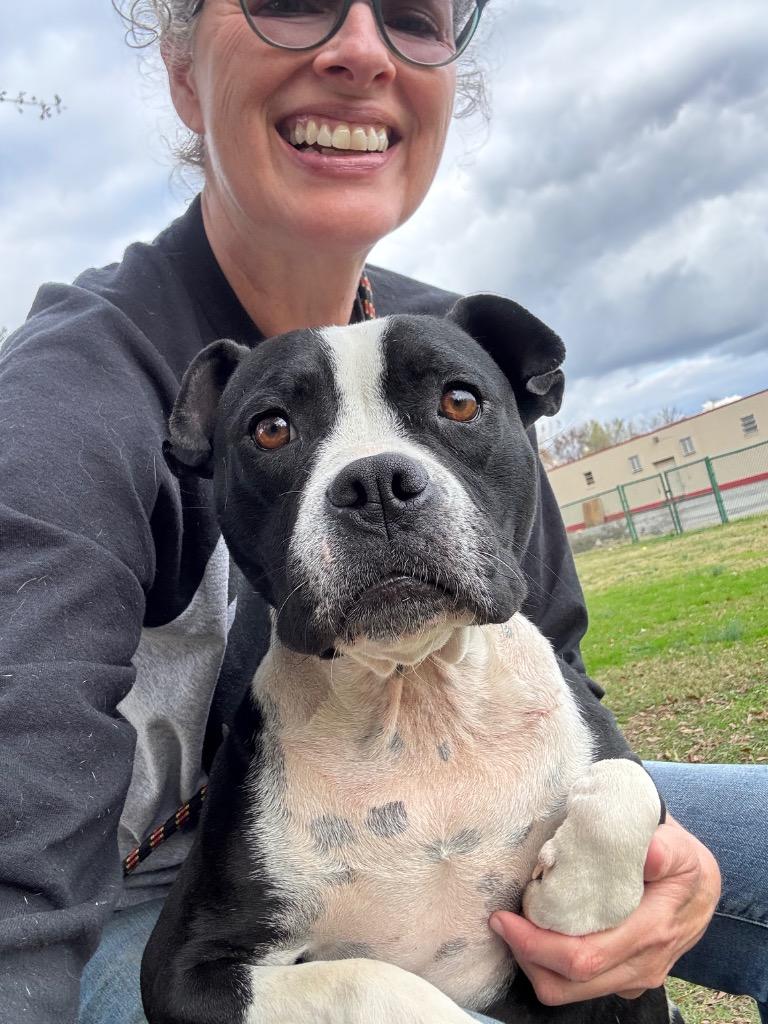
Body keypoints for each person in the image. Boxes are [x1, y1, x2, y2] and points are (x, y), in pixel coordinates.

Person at [0, 1, 763, 1022]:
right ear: (182, 70)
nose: (358, 49)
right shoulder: (65, 402)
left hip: (466, 779)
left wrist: (648, 833)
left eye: (410, 16)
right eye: (289, 0)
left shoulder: (455, 343)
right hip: (152, 889)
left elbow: (560, 663)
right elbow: (20, 888)